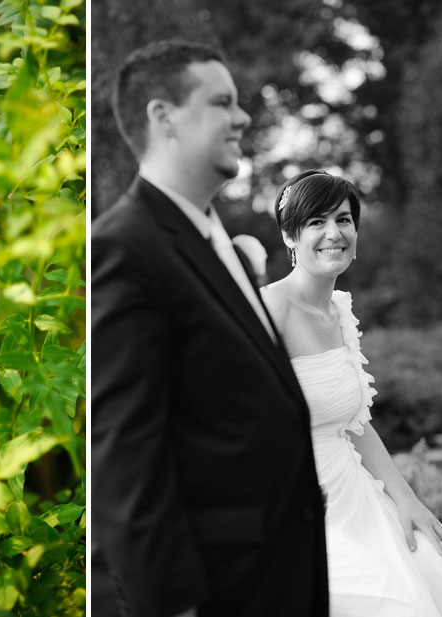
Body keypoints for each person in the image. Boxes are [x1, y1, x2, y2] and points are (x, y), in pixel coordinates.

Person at [92, 40, 329, 617]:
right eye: (222, 102)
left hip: (278, 578)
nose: (243, 116)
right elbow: (127, 457)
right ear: (163, 116)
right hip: (217, 591)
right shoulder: (124, 248)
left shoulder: (214, 239)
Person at [261, 169, 442, 616]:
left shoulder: (338, 309)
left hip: (355, 492)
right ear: (290, 236)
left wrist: (407, 499)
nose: (334, 233)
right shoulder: (270, 309)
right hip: (296, 502)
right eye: (316, 222)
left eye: (344, 220)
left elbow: (356, 423)